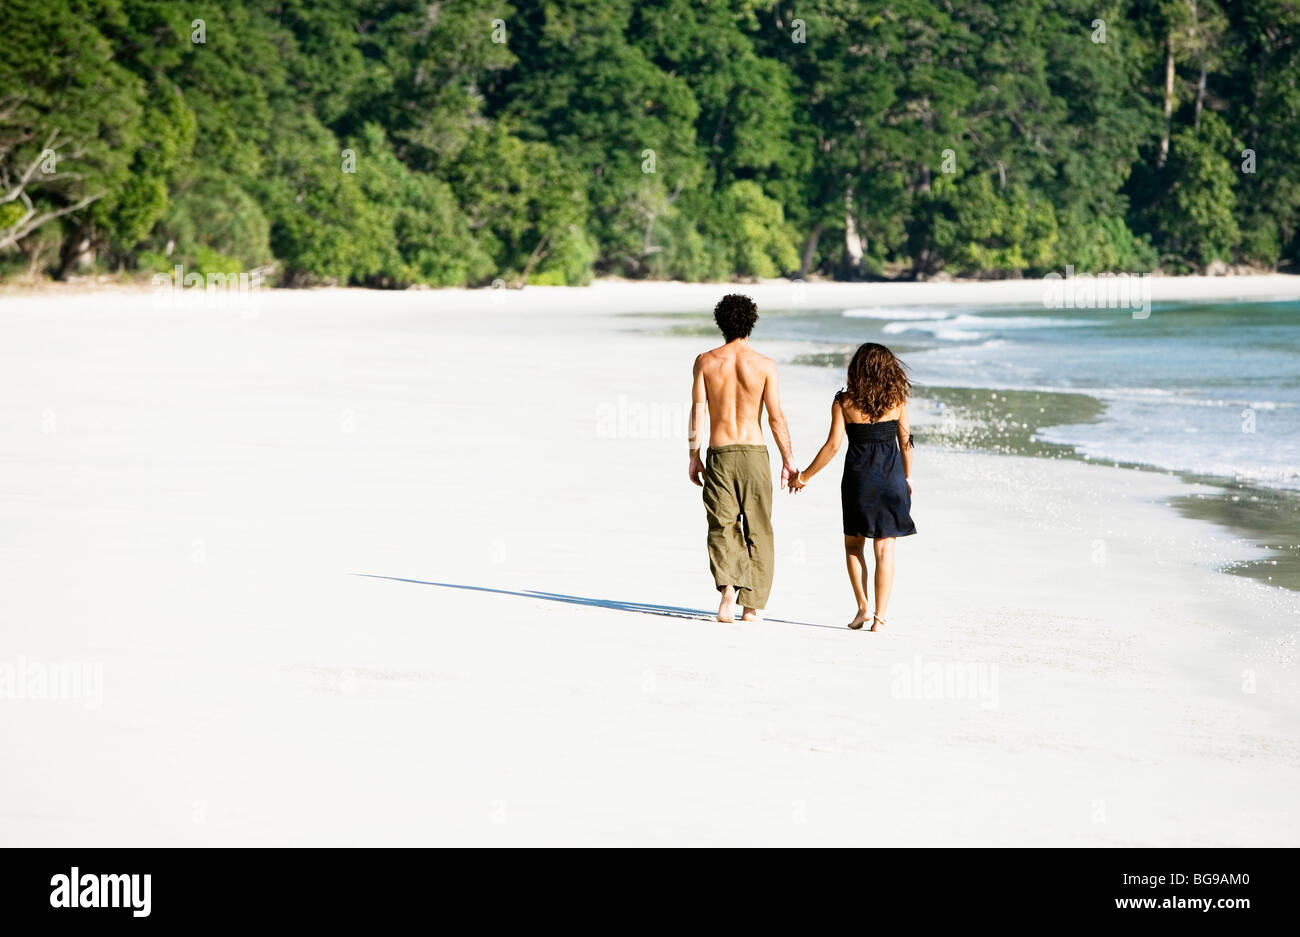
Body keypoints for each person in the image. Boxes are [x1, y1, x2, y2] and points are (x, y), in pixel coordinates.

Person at [789, 343, 916, 631]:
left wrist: (804, 476)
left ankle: (862, 609)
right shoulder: (897, 400)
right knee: (885, 550)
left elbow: (832, 446)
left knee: (853, 545)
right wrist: (908, 478)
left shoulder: (844, 402)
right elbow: (905, 443)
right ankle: (880, 619)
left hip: (860, 482)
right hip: (892, 480)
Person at [688, 294, 798, 623]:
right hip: (755, 453)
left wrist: (694, 456)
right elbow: (776, 417)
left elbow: (698, 413)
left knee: (722, 525)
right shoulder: (765, 366)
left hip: (720, 452)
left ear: (721, 324)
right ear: (751, 324)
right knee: (759, 528)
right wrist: (788, 459)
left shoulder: (706, 361)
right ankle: (751, 607)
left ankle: (727, 590)